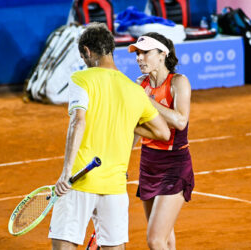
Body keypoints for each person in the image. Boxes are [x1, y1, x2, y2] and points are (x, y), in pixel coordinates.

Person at [48, 23, 171, 250]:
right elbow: (163, 132)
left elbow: (78, 122)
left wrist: (66, 173)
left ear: (86, 51)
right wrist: (128, 123)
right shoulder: (134, 90)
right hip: (115, 186)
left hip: (79, 181)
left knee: (63, 245)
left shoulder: (81, 79)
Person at [128, 33, 194, 250]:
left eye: (145, 52)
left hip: (174, 165)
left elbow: (180, 121)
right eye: (137, 53)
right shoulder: (140, 84)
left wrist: (146, 100)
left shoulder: (178, 82)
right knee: (165, 238)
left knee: (155, 240)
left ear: (162, 54)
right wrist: (120, 160)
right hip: (148, 165)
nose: (139, 58)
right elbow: (136, 129)